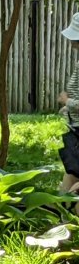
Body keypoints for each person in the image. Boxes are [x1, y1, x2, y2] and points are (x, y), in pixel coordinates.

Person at [58, 13, 79, 194]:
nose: (72, 43)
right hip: (76, 129)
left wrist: (68, 101)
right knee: (69, 181)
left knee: (71, 190)